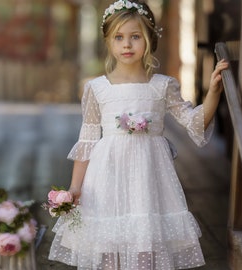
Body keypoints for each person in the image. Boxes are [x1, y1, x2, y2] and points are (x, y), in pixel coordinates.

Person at [48, 0, 228, 269]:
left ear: (149, 40)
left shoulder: (162, 86)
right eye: (119, 37)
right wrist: (75, 187)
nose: (127, 45)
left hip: (148, 178)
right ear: (108, 41)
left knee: (146, 240)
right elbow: (86, 141)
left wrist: (213, 92)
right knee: (109, 241)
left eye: (135, 37)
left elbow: (194, 123)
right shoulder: (97, 88)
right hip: (106, 177)